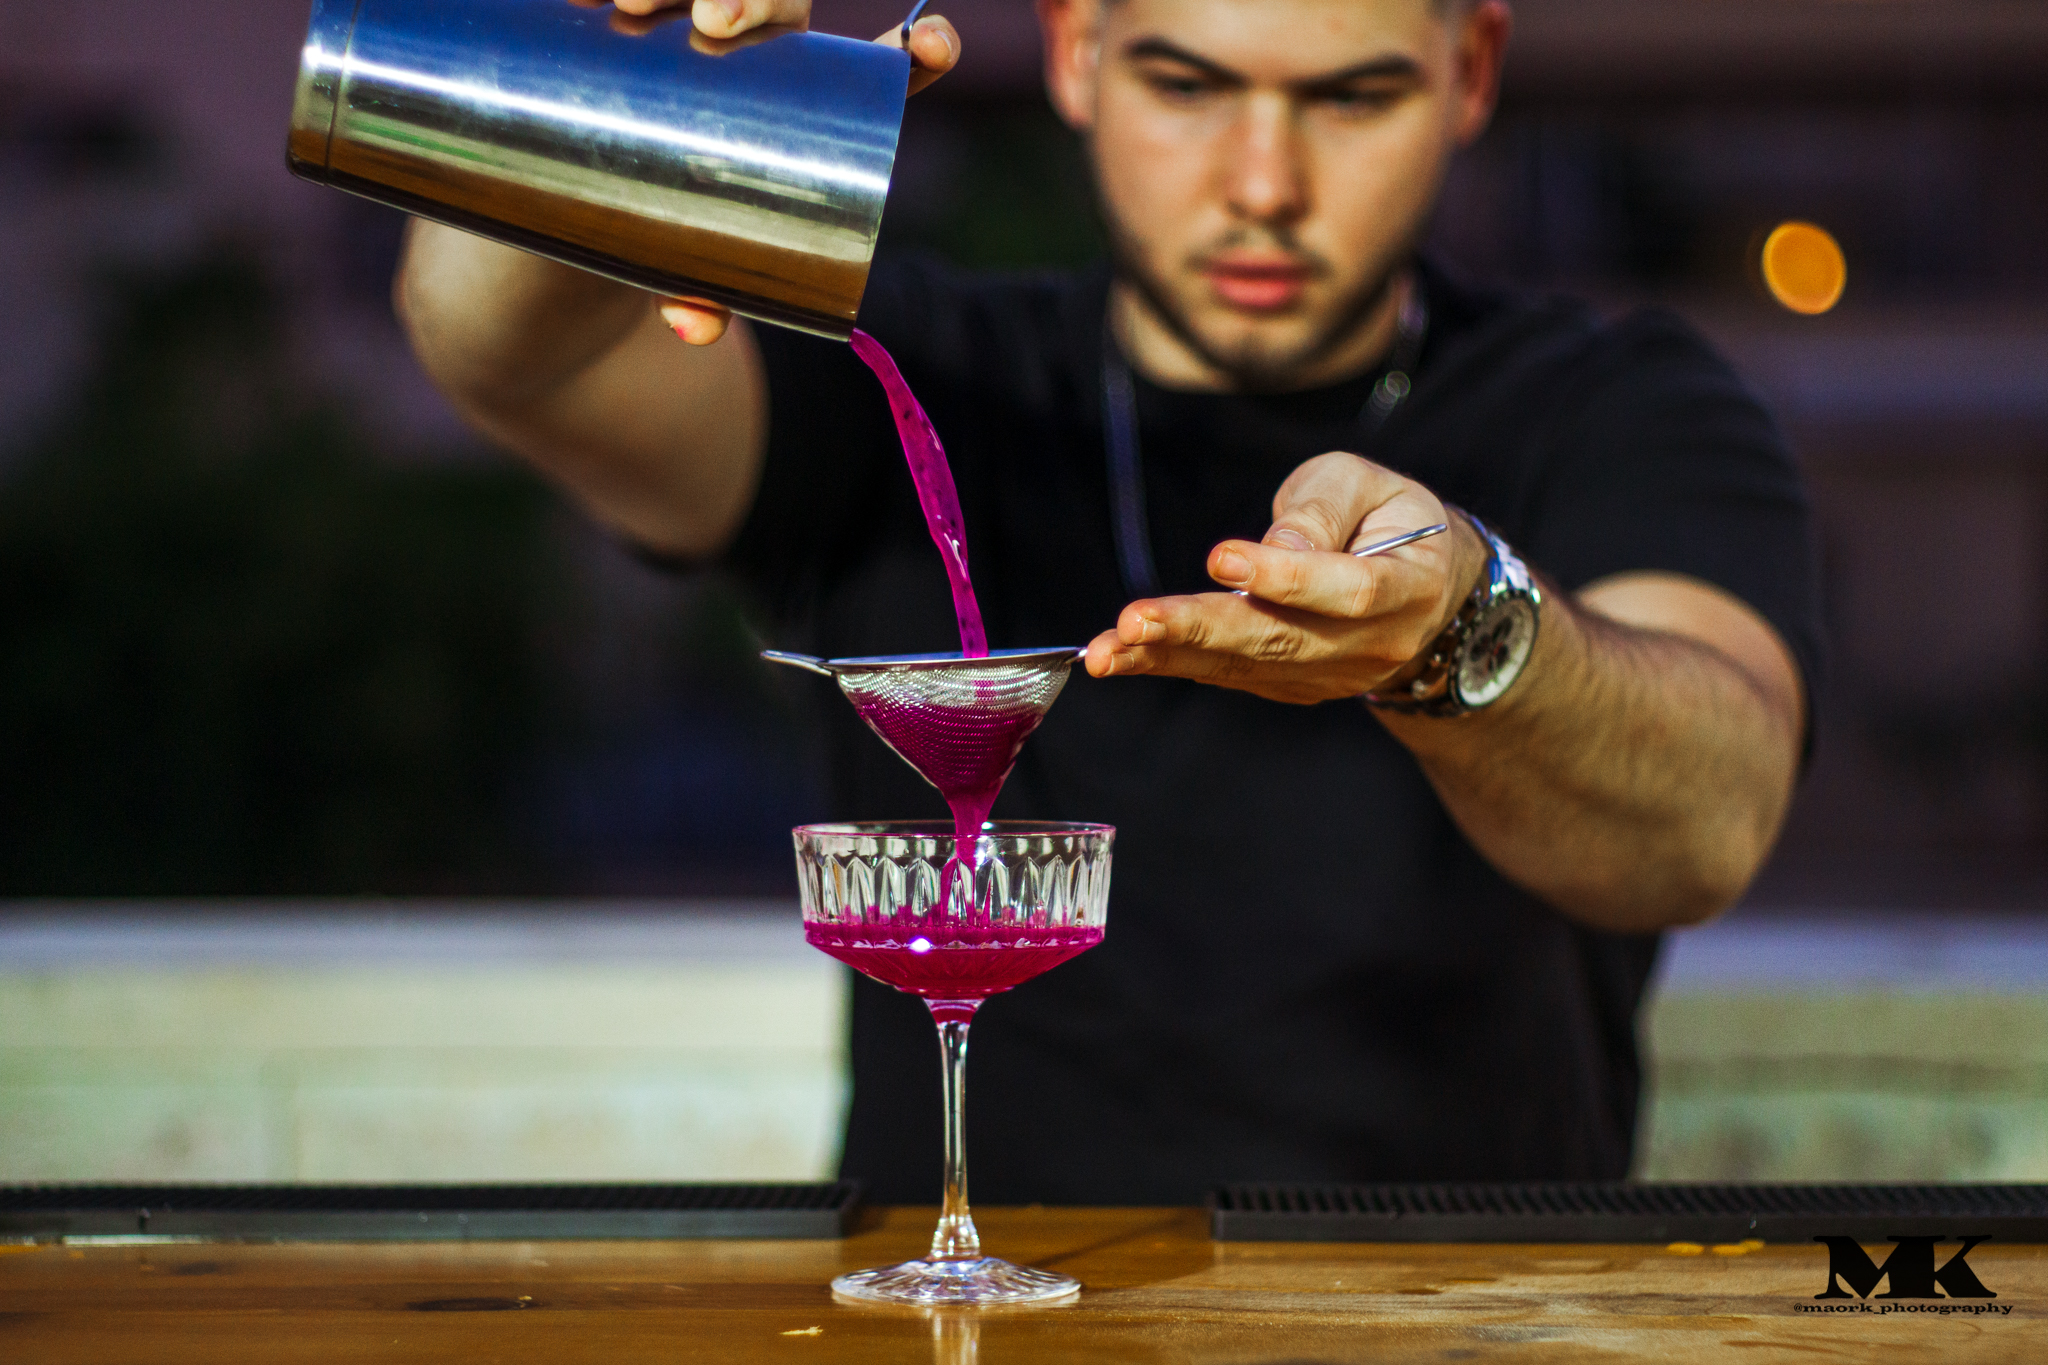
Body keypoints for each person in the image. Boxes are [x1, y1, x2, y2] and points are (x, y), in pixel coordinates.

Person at [397, 0, 1821, 1203]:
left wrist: (1459, 628)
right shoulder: (928, 377)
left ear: (1472, 71)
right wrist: (610, 93)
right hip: (959, 1325)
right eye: (1187, 86)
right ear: (1077, 52)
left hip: (1461, 1319)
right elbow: (497, 349)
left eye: (1350, 98)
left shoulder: (1615, 407)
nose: (1263, 183)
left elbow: (1706, 819)